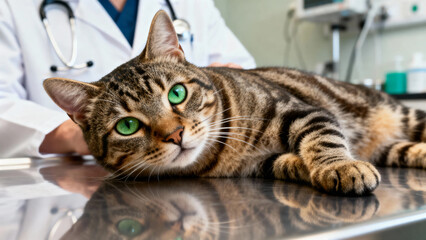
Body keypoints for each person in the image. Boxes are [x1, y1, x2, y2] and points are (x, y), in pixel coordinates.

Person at [0, 0, 256, 158]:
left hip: (202, 167)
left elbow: (242, 70)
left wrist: (232, 80)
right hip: (80, 184)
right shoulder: (12, 7)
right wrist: (74, 136)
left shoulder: (190, 4)